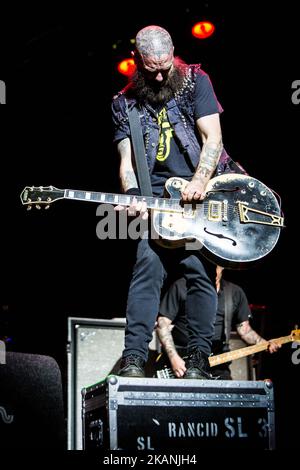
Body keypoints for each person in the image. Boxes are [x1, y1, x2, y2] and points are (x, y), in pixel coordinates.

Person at [111, 25, 243, 379]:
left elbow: (212, 136)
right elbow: (127, 162)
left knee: (199, 273)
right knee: (147, 270)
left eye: (164, 65)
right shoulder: (125, 103)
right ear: (136, 59)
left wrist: (200, 180)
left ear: (174, 55)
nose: (158, 74)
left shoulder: (195, 81)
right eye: (150, 67)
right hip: (156, 202)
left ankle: (199, 358)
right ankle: (135, 358)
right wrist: (132, 196)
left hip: (198, 195)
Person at [156, 266, 281, 379]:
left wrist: (264, 343)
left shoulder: (234, 293)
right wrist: (174, 359)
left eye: (218, 264)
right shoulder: (181, 286)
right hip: (181, 360)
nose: (214, 269)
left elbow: (244, 330)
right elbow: (162, 324)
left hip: (217, 364)